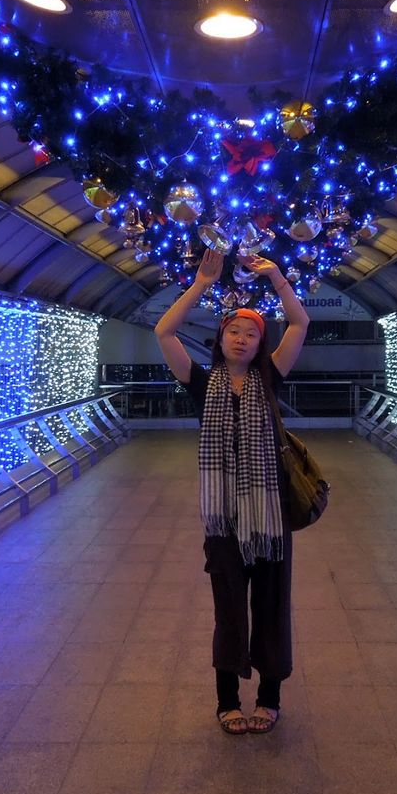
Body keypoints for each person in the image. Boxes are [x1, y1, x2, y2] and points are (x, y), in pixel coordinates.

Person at [155, 247, 310, 735]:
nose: (242, 339)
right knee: (228, 610)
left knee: (270, 608)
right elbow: (163, 331)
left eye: (251, 334)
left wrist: (280, 280)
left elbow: (300, 324)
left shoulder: (271, 376)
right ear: (219, 339)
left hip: (269, 519)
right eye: (233, 332)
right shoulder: (201, 382)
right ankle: (227, 701)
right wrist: (201, 283)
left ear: (260, 343)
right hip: (222, 521)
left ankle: (268, 697)